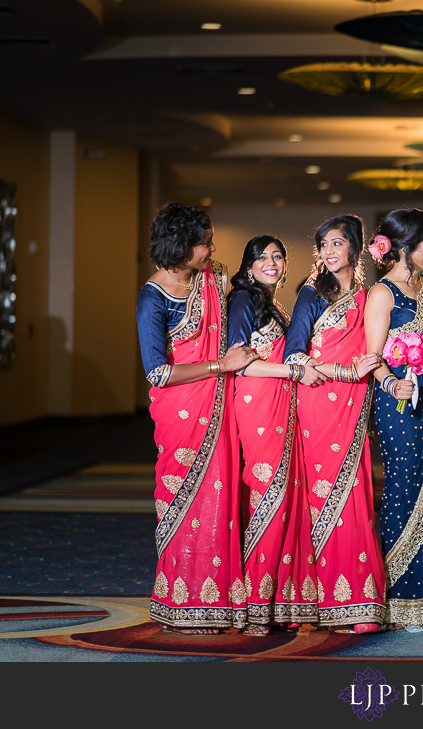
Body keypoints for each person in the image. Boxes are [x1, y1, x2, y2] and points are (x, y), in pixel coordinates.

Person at [136, 202, 257, 634]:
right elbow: (158, 371)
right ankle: (182, 601)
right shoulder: (153, 296)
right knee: (184, 502)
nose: (211, 249)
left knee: (222, 500)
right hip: (181, 413)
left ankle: (221, 601)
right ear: (180, 246)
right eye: (203, 243)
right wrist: (219, 367)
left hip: (220, 408)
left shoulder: (215, 278)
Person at [284, 215, 386, 633]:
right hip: (320, 402)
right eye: (323, 244)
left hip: (355, 403)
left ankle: (358, 600)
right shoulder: (311, 293)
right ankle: (327, 599)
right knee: (325, 494)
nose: (328, 251)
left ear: (355, 249)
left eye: (337, 243)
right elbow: (294, 354)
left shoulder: (368, 297)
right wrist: (345, 372)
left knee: (356, 491)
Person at [364, 208, 423, 631]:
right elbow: (373, 359)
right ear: (404, 247)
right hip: (402, 408)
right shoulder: (383, 293)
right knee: (405, 489)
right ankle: (403, 598)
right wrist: (390, 384)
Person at [228, 234, 327, 635]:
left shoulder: (273, 304)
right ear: (248, 265)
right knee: (268, 493)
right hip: (257, 403)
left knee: (283, 495)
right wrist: (292, 371)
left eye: (278, 256)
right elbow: (238, 362)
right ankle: (254, 603)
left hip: (280, 402)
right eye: (262, 257)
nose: (271, 262)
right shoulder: (243, 300)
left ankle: (276, 602)